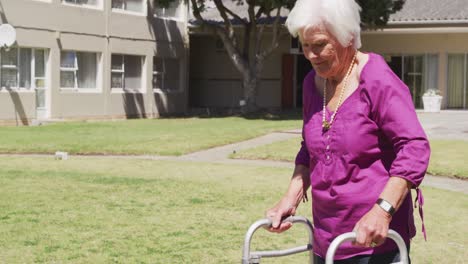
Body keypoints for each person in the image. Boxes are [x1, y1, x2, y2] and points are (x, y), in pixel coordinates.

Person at [265, 0, 430, 263]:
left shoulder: (377, 79)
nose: (310, 55)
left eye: (319, 45)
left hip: (375, 243)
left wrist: (382, 211)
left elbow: (414, 147)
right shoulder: (311, 84)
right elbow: (311, 149)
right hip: (326, 240)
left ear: (348, 37)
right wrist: (291, 197)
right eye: (305, 46)